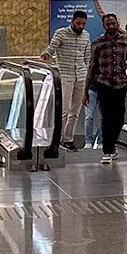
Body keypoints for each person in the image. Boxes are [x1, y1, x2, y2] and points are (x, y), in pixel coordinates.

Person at [85, 13, 127, 165]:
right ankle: (107, 150)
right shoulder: (98, 43)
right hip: (103, 84)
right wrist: (85, 91)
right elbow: (91, 68)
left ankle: (112, 142)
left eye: (113, 23)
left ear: (117, 23)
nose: (111, 26)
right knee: (107, 117)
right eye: (108, 24)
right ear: (104, 26)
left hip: (121, 84)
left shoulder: (125, 41)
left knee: (119, 118)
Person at [43, 10, 91, 151]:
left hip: (81, 77)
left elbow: (87, 57)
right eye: (78, 23)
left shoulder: (86, 35)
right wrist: (45, 56)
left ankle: (68, 140)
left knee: (75, 112)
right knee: (64, 111)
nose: (81, 26)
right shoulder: (61, 33)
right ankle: (57, 140)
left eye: (83, 24)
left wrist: (89, 75)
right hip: (65, 76)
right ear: (72, 21)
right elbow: (51, 49)